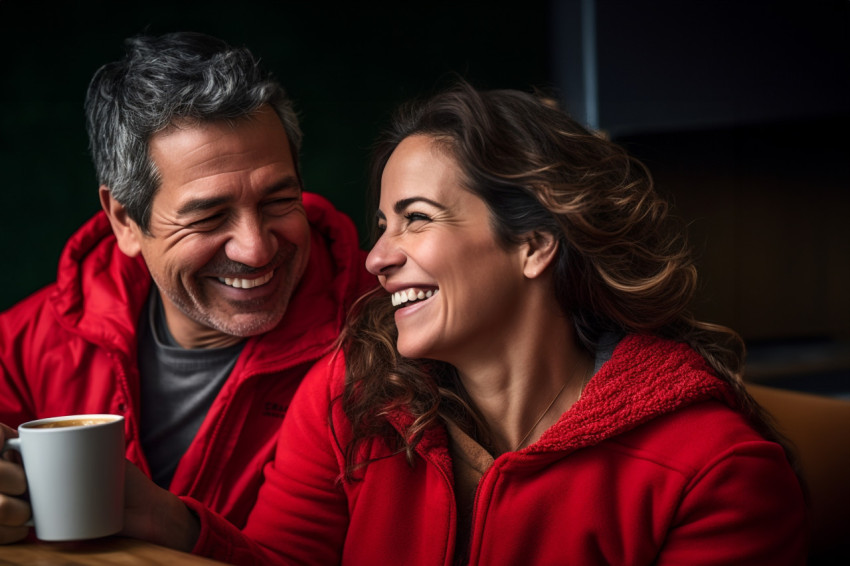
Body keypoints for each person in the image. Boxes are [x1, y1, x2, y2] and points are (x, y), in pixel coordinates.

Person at [118, 82, 808, 564]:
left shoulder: (716, 472)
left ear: (535, 244)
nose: (378, 258)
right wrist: (165, 521)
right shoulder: (348, 393)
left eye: (416, 219)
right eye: (382, 225)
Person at [0, 31, 374, 546]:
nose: (256, 249)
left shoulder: (387, 339)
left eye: (278, 201)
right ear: (125, 221)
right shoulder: (23, 347)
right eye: (210, 216)